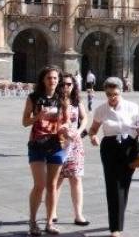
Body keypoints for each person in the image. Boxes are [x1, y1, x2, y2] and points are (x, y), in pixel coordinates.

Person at [88, 77, 139, 237]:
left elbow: (138, 125)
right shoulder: (101, 109)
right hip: (110, 148)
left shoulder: (132, 107)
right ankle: (115, 228)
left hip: (129, 147)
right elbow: (93, 129)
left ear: (121, 92)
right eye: (108, 94)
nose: (112, 98)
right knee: (112, 186)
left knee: (124, 185)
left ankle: (118, 219)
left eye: (115, 94)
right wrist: (93, 137)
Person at [22, 65, 69, 236]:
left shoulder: (62, 98)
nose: (53, 81)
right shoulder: (33, 98)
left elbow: (66, 122)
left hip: (56, 144)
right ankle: (33, 221)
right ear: (43, 79)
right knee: (39, 185)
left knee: (52, 185)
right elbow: (25, 122)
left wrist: (66, 128)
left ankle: (49, 222)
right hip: (37, 144)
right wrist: (37, 117)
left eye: (55, 78)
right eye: (49, 78)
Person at [52, 73, 90, 227]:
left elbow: (85, 118)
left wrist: (79, 131)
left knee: (76, 179)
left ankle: (78, 215)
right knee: (57, 180)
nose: (66, 87)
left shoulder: (76, 101)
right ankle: (52, 211)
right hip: (57, 143)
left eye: (69, 84)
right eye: (63, 84)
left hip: (74, 144)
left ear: (74, 86)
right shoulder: (54, 102)